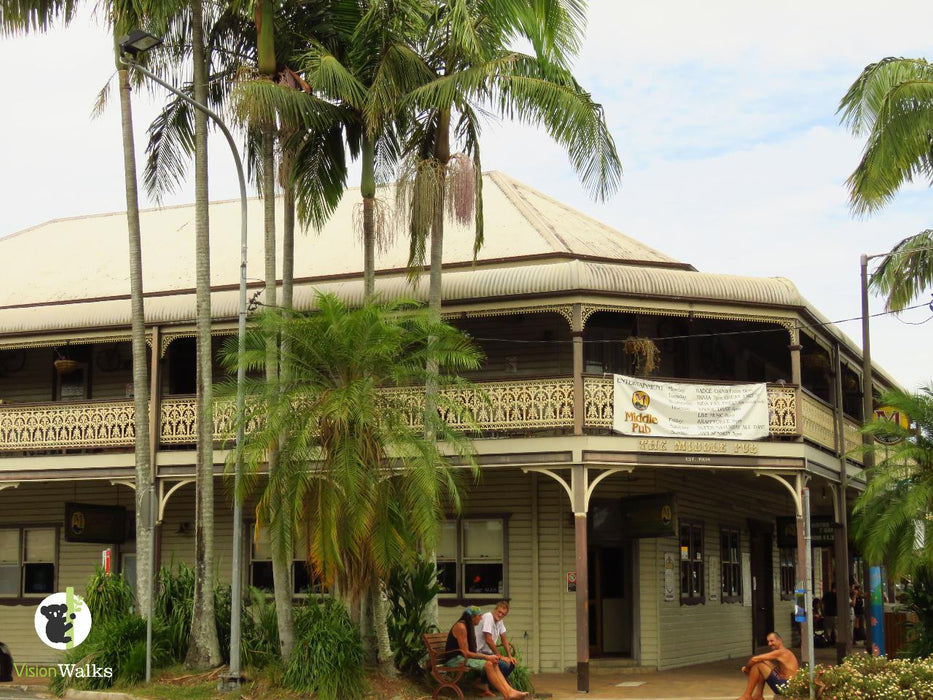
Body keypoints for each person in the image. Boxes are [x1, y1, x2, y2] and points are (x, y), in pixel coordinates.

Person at [445, 606, 528, 700]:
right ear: (472, 617)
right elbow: (466, 653)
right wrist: (487, 657)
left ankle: (509, 692)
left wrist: (494, 657)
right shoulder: (461, 627)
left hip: (463, 657)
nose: (481, 618)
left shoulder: (468, 626)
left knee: (493, 662)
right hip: (455, 659)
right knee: (489, 664)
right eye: (479, 616)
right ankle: (507, 693)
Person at [736, 631, 799, 700]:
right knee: (763, 662)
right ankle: (758, 695)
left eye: (772, 641)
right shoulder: (784, 651)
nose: (769, 644)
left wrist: (747, 669)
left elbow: (754, 659)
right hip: (787, 684)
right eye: (768, 642)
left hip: (787, 687)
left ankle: (747, 695)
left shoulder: (781, 652)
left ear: (779, 640)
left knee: (759, 664)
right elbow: (776, 669)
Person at [474, 600, 518, 695]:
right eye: (499, 612)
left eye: (503, 614)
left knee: (512, 663)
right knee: (503, 665)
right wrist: (500, 656)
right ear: (495, 609)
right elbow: (488, 639)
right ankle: (483, 682)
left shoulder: (499, 621)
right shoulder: (488, 617)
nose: (500, 615)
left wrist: (509, 656)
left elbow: (504, 638)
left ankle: (487, 683)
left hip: (488, 653)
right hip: (478, 652)